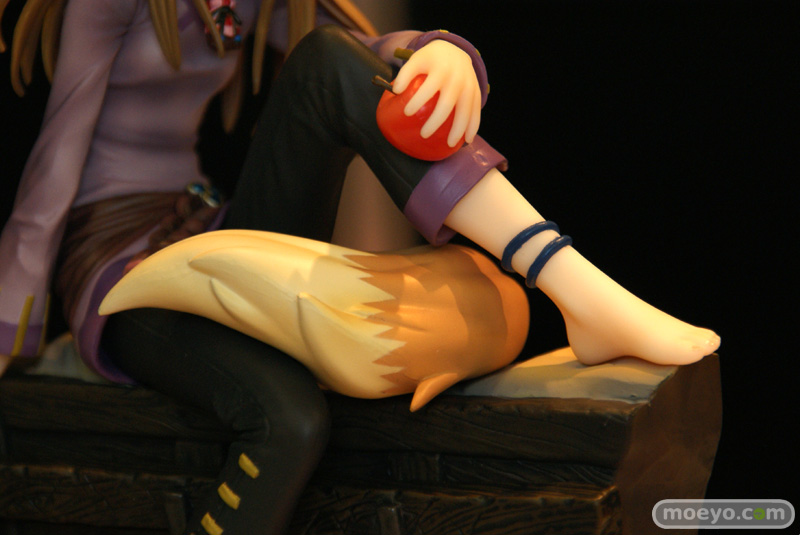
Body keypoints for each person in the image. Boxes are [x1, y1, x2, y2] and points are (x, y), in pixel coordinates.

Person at [0, 1, 720, 534]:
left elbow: (357, 58)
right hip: (117, 264)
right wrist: (12, 325)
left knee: (325, 61)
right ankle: (577, 287)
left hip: (204, 225)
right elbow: (56, 160)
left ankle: (569, 282)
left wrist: (445, 55)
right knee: (289, 423)